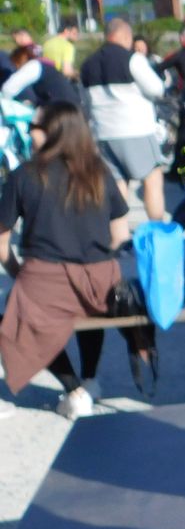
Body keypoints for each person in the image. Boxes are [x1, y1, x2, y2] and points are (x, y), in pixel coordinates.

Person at [0, 101, 130, 420]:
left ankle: (74, 390)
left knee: (17, 314)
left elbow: (1, 243)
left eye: (34, 126)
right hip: (99, 282)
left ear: (52, 132)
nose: (29, 132)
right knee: (87, 309)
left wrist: (18, 272)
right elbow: (120, 234)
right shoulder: (99, 172)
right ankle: (90, 381)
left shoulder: (25, 175)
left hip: (46, 281)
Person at [80, 18, 168, 223]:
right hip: (135, 130)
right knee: (152, 178)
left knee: (117, 185)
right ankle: (156, 228)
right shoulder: (133, 59)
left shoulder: (88, 64)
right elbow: (157, 88)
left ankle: (119, 235)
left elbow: (84, 99)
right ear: (127, 36)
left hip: (103, 132)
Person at [3, 44, 82, 106]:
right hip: (72, 108)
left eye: (15, 63)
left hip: (63, 111)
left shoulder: (34, 65)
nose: (16, 68)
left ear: (22, 57)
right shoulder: (46, 66)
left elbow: (8, 88)